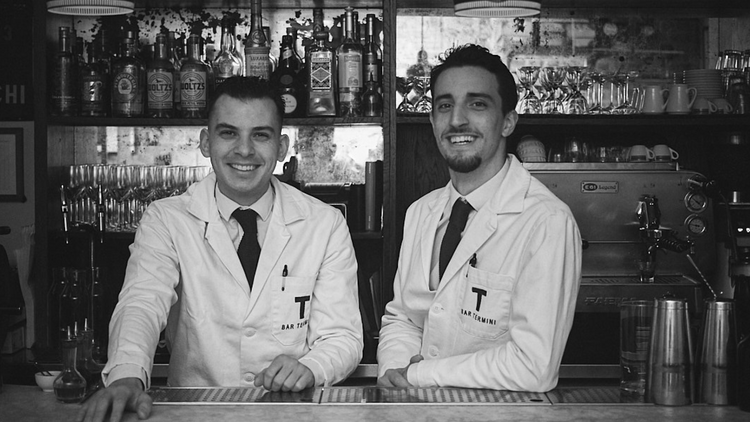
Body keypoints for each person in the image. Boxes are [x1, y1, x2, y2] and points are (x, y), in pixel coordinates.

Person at [78, 76, 363, 422]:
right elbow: (142, 302)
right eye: (228, 133)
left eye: (260, 134)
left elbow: (343, 336)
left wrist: (311, 367)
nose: (244, 150)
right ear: (205, 141)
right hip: (196, 412)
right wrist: (126, 376)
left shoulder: (324, 223)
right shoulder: (167, 220)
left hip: (292, 413)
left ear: (282, 146)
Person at [376, 44, 582, 392]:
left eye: (477, 104)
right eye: (445, 105)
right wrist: (398, 372)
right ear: (432, 120)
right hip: (418, 410)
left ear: (507, 122)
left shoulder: (546, 221)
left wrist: (420, 375)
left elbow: (533, 366)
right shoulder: (421, 213)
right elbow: (404, 319)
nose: (457, 120)